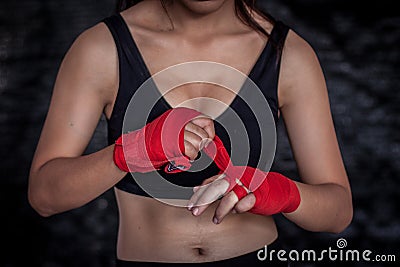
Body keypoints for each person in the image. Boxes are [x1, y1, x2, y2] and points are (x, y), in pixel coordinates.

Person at [28, 0, 353, 266]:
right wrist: (133, 152)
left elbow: (338, 211)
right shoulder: (102, 48)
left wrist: (276, 191)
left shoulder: (289, 54)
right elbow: (44, 196)